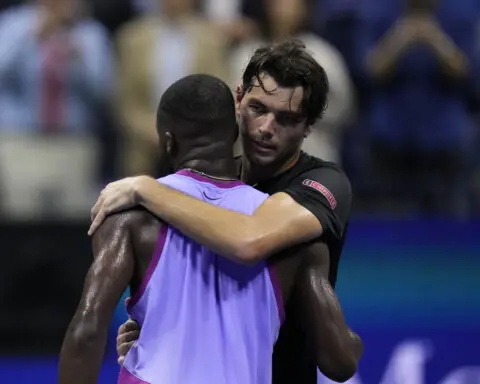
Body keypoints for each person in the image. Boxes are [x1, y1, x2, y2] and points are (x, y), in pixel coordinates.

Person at [59, 74, 361, 384]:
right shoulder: (292, 234)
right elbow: (339, 361)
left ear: (168, 142)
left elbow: (87, 332)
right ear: (234, 132)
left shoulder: (129, 215)